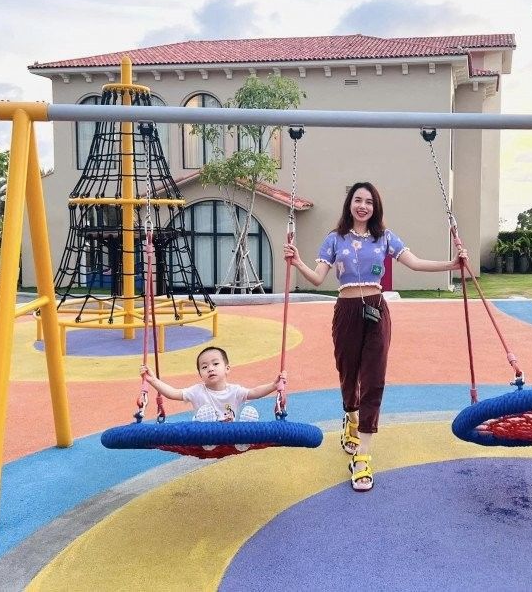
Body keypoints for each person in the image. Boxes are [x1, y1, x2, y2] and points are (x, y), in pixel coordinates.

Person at [284, 181, 467, 492]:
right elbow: (316, 278)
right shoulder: (334, 238)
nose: (363, 206)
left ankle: (363, 456)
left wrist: (451, 264)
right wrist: (297, 260)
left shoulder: (385, 237)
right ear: (349, 204)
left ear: (375, 207)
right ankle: (351, 417)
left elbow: (415, 263)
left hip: (376, 310)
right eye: (358, 200)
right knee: (348, 374)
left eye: (369, 201)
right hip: (346, 310)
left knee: (374, 379)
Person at [140, 345, 286, 424]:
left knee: (249, 412)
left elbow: (254, 392)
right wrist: (153, 381)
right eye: (204, 367)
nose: (210, 368)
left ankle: (243, 439)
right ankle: (207, 435)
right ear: (200, 375)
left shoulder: (235, 391)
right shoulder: (197, 391)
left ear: (227, 368)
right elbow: (173, 393)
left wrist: (274, 386)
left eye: (215, 364)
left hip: (228, 436)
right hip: (202, 437)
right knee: (205, 412)